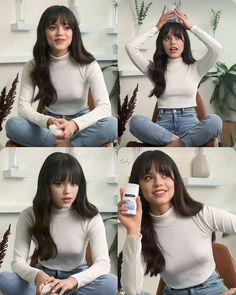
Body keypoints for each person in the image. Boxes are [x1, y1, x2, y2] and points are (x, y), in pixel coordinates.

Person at [118, 150, 236, 295]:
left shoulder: (201, 213)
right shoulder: (141, 229)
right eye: (148, 177)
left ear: (175, 180)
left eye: (165, 175)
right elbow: (131, 290)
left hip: (212, 290)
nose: (158, 183)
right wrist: (133, 231)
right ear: (138, 187)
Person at [0, 152, 117, 295]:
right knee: (5, 279)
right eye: (59, 183)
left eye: (74, 183)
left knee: (111, 282)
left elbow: (103, 264)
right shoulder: (29, 215)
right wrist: (37, 276)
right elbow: (17, 263)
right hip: (45, 279)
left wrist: (72, 281)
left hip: (76, 279)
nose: (67, 191)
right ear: (46, 185)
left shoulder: (91, 216)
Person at [5, 5, 117, 147]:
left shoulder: (89, 64)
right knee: (13, 125)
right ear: (43, 33)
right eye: (52, 27)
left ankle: (67, 143)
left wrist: (75, 124)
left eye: (66, 27)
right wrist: (46, 121)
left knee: (113, 125)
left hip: (81, 126)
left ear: (74, 32)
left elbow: (104, 108)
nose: (60, 33)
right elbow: (23, 107)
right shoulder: (32, 66)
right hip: (49, 127)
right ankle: (63, 143)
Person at [126, 7, 222, 147]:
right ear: (162, 44)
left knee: (215, 121)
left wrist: (191, 27)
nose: (173, 42)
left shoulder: (196, 68)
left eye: (178, 37)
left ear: (184, 42)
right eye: (167, 38)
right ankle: (181, 144)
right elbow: (130, 47)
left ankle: (173, 146)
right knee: (135, 122)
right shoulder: (155, 69)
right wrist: (157, 27)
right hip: (163, 127)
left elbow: (216, 49)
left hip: (190, 126)